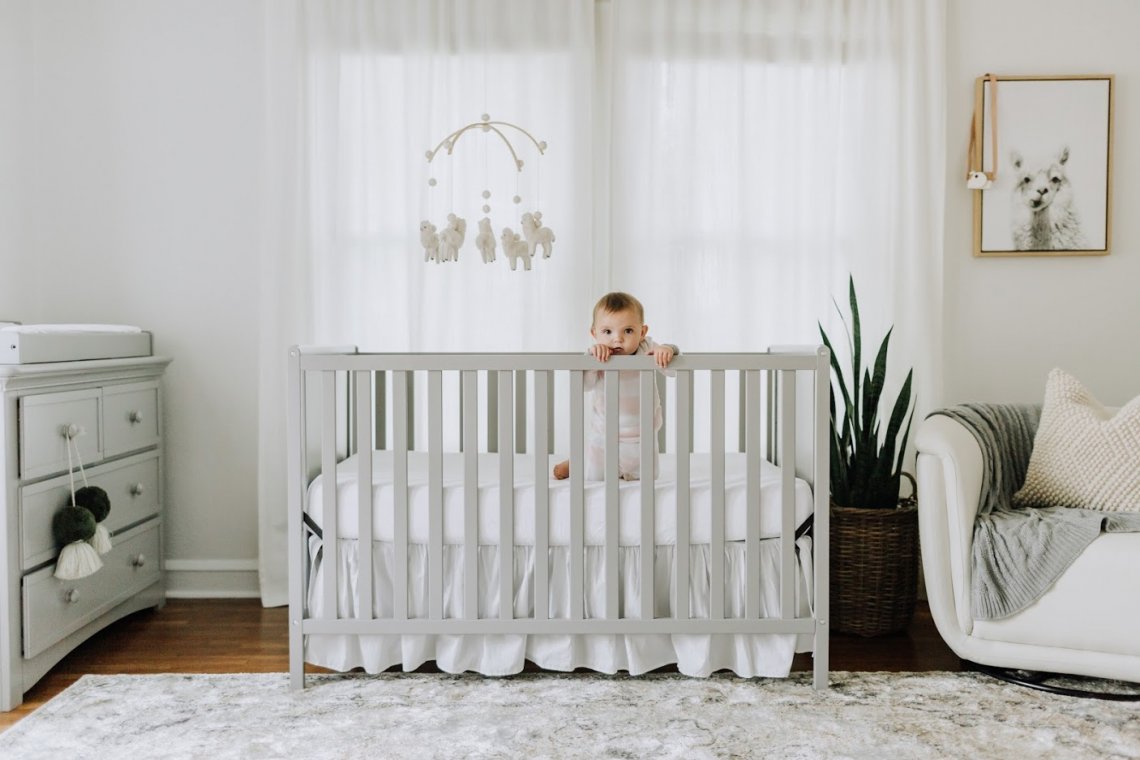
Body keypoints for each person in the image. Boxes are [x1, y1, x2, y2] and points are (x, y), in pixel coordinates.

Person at [553, 292, 677, 481]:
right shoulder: (597, 356)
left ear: (642, 332)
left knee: (647, 481)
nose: (617, 339)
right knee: (594, 481)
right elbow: (584, 385)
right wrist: (593, 362)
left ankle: (586, 461)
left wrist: (667, 350)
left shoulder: (647, 349)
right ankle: (577, 462)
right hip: (603, 439)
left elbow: (673, 371)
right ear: (594, 334)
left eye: (628, 331)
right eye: (607, 332)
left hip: (643, 439)